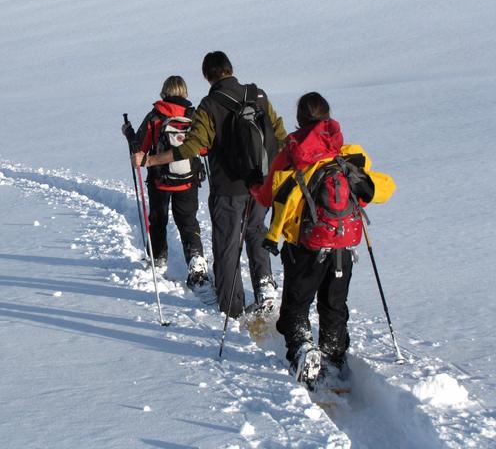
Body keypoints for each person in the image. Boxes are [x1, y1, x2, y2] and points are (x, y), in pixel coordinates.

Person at [251, 92, 396, 380]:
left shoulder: (292, 155)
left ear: (299, 118)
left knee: (296, 304)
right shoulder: (345, 153)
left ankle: (303, 349)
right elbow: (365, 194)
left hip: (305, 245)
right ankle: (334, 356)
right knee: (334, 304)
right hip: (344, 243)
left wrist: (255, 186)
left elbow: (267, 195)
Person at [133, 52, 287, 318]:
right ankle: (265, 287)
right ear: (230, 68)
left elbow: (191, 147)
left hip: (228, 189)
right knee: (256, 232)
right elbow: (280, 136)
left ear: (207, 76)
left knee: (226, 244)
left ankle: (231, 308)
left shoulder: (210, 104)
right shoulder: (258, 95)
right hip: (262, 185)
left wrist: (153, 160)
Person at [122, 76, 211, 291]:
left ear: (164, 92)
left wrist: (128, 133)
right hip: (188, 180)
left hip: (160, 180)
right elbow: (204, 149)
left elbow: (139, 148)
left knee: (158, 219)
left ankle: (157, 258)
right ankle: (196, 262)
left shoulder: (155, 116)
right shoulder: (194, 115)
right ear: (184, 92)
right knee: (188, 222)